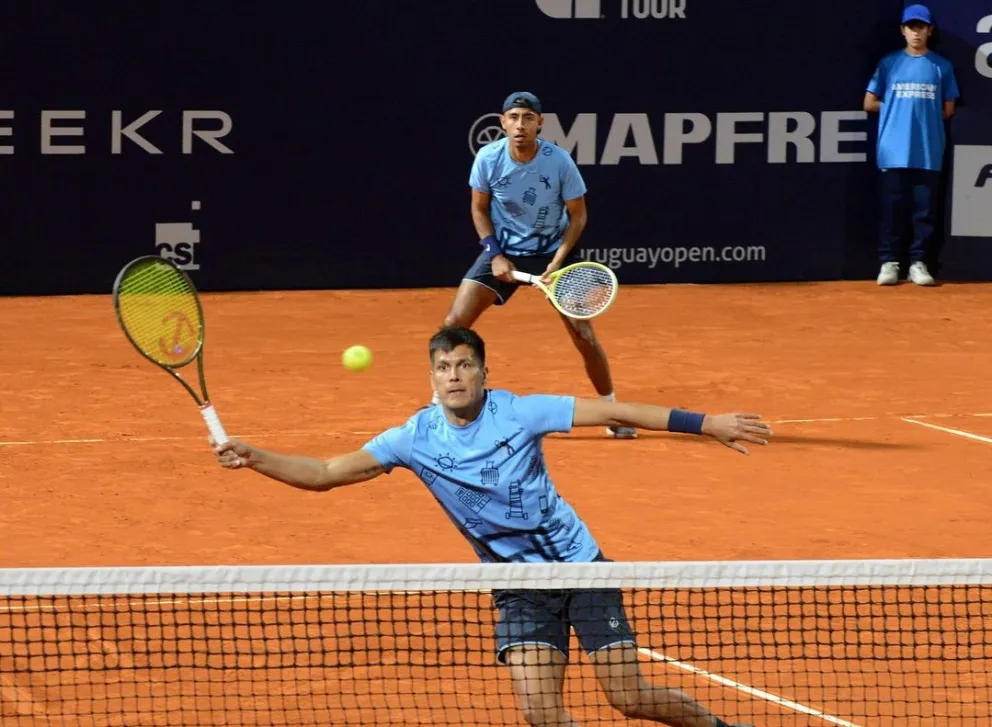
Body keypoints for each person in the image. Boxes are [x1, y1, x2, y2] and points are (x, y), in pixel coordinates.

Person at [211, 326, 771, 727]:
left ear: (483, 372)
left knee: (628, 697)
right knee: (539, 712)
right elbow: (327, 472)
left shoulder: (520, 413)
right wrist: (255, 456)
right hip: (518, 586)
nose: (454, 375)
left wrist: (707, 424)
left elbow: (617, 414)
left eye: (464, 365)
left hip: (578, 567)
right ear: (432, 378)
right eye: (443, 367)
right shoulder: (415, 437)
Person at [441, 90, 637, 440]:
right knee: (454, 324)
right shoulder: (488, 158)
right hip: (503, 250)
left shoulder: (559, 161)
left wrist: (558, 261)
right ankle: (443, 403)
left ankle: (612, 411)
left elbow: (578, 216)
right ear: (502, 123)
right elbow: (479, 208)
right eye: (513, 118)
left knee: (582, 333)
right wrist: (495, 254)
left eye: (528, 118)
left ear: (539, 124)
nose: (520, 125)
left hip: (552, 253)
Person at [863, 3, 959, 287]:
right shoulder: (889, 63)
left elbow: (949, 108)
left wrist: (922, 116)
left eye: (921, 28)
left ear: (930, 30)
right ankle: (889, 262)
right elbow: (869, 103)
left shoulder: (942, 66)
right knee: (892, 209)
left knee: (924, 211)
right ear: (903, 31)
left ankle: (919, 263)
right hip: (893, 151)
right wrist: (900, 109)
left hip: (928, 151)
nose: (916, 33)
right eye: (911, 27)